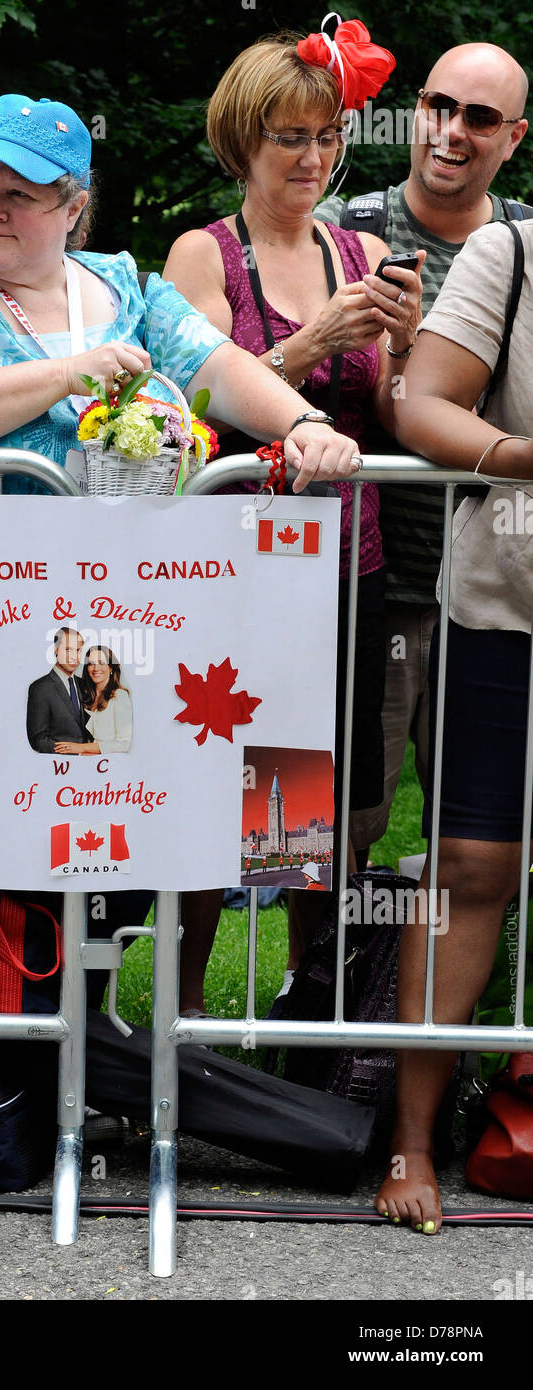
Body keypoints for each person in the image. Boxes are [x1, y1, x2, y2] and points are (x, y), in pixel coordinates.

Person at [161, 20, 423, 1014]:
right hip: (224, 580)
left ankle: (306, 1034)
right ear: (241, 141)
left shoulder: (358, 249)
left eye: (325, 138)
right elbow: (190, 409)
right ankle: (175, 1038)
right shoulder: (202, 255)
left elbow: (389, 424)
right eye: (288, 137)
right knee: (201, 813)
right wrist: (310, 342)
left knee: (310, 823)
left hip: (339, 573)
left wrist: (396, 351)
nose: (310, 157)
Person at [0, 91, 365, 494]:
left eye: (18, 194)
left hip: (111, 586)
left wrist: (303, 423)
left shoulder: (125, 286)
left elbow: (218, 365)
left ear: (73, 209)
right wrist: (64, 375)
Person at [316, 43, 529, 864]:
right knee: (337, 821)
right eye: (440, 107)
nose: (452, 132)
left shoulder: (525, 249)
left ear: (513, 137)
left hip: (493, 588)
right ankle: (316, 983)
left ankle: (465, 988)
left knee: (488, 830)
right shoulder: (344, 232)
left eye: (480, 118)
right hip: (369, 581)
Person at [375, 214, 533, 1233]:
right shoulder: (510, 251)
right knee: (469, 870)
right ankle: (412, 1142)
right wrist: (515, 455)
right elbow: (419, 404)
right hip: (506, 608)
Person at [57, 645, 132, 756]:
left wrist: (80, 749)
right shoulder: (83, 696)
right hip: (81, 761)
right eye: (91, 664)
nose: (96, 668)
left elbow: (123, 744)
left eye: (101, 663)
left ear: (111, 667)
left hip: (107, 766)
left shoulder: (119, 696)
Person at [26, 628, 88, 754]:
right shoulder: (40, 688)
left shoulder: (84, 684)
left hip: (91, 766)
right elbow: (38, 740)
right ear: (56, 650)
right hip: (60, 767)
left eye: (77, 650)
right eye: (68, 649)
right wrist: (76, 752)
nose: (73, 656)